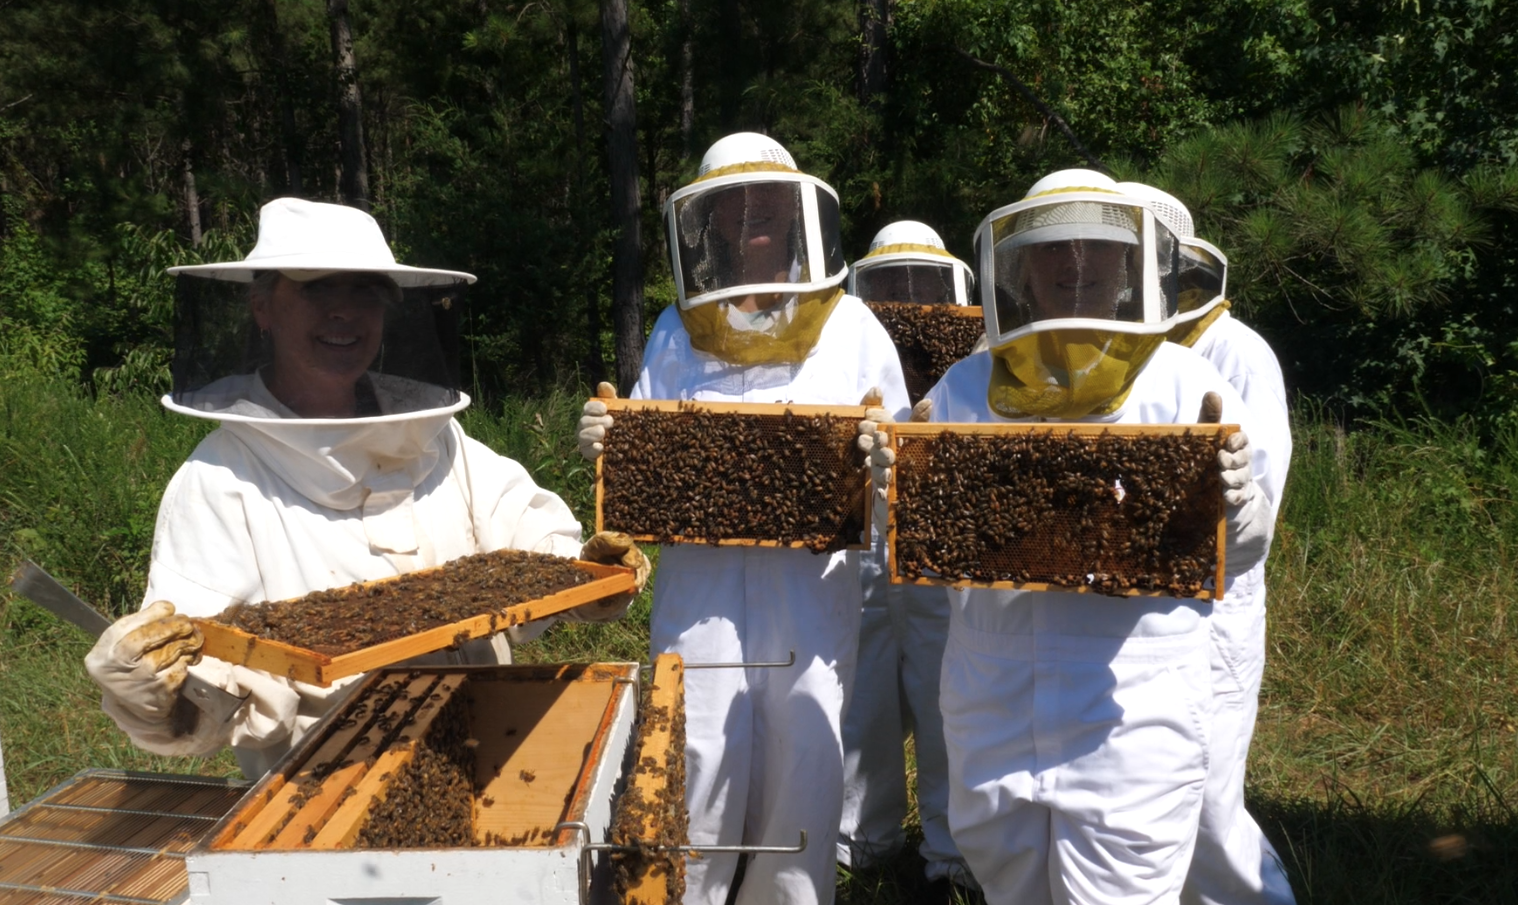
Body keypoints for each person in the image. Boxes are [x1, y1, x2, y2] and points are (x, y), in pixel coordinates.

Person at [85, 198, 648, 779]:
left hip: (483, 745)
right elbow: (201, 687)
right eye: (318, 290)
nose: (345, 314)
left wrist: (589, 579)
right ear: (262, 307)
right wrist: (152, 693)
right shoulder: (218, 481)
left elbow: (529, 542)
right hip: (323, 781)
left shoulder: (431, 432)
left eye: (365, 293)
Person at [862, 169, 1277, 905]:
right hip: (989, 700)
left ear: (1130, 265)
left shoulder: (1184, 383)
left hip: (1130, 707)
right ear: (1018, 267)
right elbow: (904, 549)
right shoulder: (962, 387)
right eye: (1052, 250)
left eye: (1096, 249)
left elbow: (1242, 551)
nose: (1074, 265)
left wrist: (1239, 503)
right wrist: (887, 488)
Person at [579, 132, 909, 905]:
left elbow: (903, 473)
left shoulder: (855, 326)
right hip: (700, 593)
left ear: (799, 216)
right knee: (693, 756)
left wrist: (887, 458)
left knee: (806, 761)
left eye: (767, 199)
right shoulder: (675, 329)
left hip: (812, 595)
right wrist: (612, 446)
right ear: (712, 224)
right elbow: (646, 461)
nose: (752, 212)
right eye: (734, 203)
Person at [1115, 182, 1296, 905]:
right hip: (1137, 607)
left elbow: (1261, 505)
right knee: (1147, 793)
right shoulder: (1115, 351)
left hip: (1217, 608)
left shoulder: (1238, 351)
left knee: (1209, 799)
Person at [838, 221, 973, 892]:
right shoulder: (847, 336)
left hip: (934, 546)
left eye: (922, 285)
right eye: (893, 286)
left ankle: (953, 849)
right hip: (864, 542)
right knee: (863, 692)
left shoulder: (972, 374)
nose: (909, 299)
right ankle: (866, 838)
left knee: (947, 690)